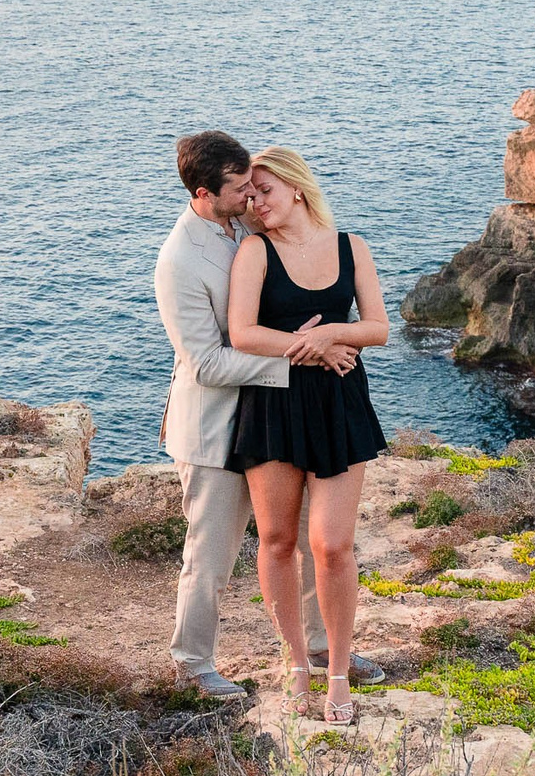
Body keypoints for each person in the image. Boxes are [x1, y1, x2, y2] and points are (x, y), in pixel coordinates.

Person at [153, 130, 345, 699]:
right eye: (238, 189)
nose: (250, 198)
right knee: (211, 555)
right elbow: (205, 362)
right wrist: (300, 354)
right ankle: (191, 662)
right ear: (204, 192)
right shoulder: (179, 259)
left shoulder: (243, 226)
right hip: (214, 424)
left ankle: (317, 648)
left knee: (303, 539)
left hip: (273, 418)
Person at [225, 148, 391, 722]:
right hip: (273, 402)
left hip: (339, 401)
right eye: (248, 195)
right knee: (275, 541)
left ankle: (338, 674)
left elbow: (379, 328)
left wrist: (333, 334)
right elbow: (242, 335)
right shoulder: (254, 251)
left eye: (264, 190)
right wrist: (311, 346)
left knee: (333, 545)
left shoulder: (351, 246)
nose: (256, 202)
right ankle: (297, 663)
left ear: (296, 187)